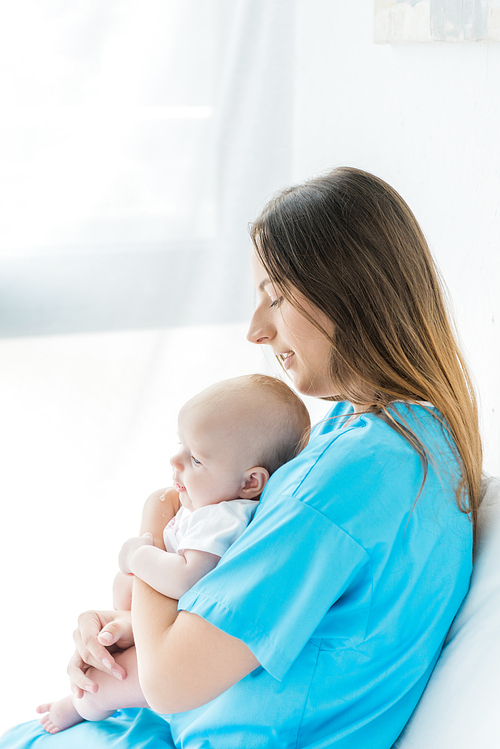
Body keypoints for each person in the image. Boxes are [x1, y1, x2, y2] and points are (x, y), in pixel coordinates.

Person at [0, 167, 482, 749]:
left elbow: (174, 682)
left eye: (275, 298)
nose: (256, 330)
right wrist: (130, 634)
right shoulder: (406, 438)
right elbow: (252, 618)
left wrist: (151, 536)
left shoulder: (353, 474)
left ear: (350, 296)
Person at [35, 374, 310, 734]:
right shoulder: (205, 503)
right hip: (165, 627)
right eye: (181, 444)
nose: (175, 459)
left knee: (100, 684)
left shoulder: (223, 517)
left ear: (250, 483)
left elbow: (185, 576)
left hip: (180, 640)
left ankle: (81, 705)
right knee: (120, 603)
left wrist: (138, 556)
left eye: (195, 459)